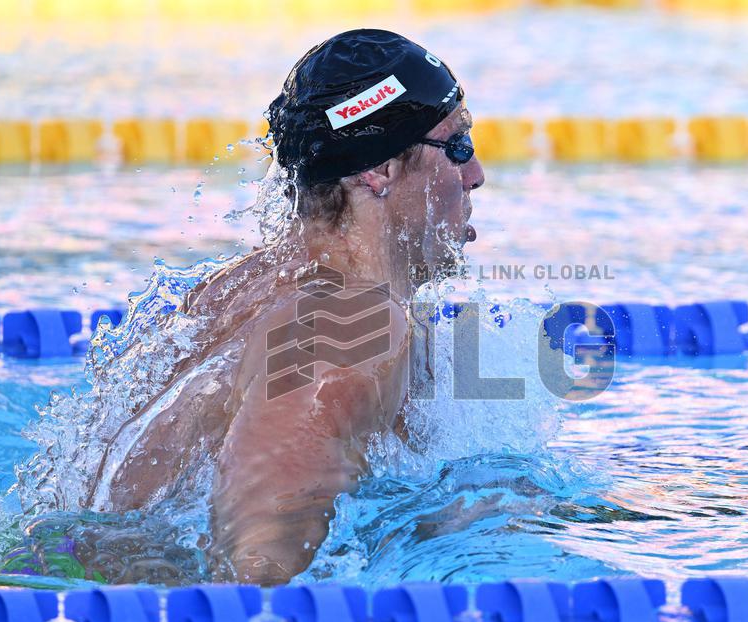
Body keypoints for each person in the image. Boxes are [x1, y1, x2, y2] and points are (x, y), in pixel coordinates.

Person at [86, 28, 485, 584]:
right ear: (380, 170)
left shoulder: (248, 285)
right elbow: (257, 581)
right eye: (458, 148)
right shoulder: (350, 328)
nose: (475, 175)